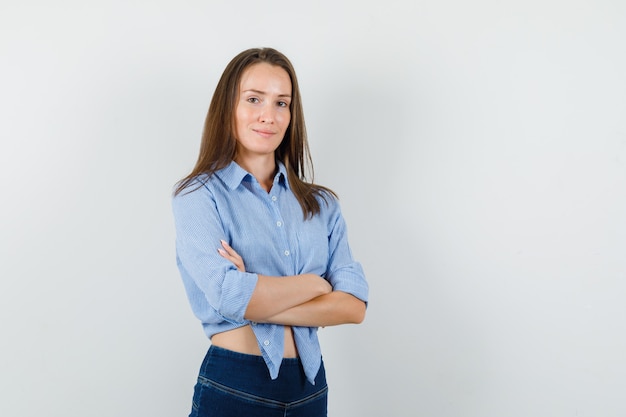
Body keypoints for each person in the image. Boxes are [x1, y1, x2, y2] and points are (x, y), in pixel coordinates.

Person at [172, 47, 369, 417]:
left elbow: (354, 306)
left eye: (282, 103)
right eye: (253, 99)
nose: (269, 115)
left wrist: (255, 292)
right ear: (227, 107)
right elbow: (228, 296)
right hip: (235, 385)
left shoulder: (321, 204)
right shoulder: (199, 196)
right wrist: (315, 284)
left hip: (310, 388)